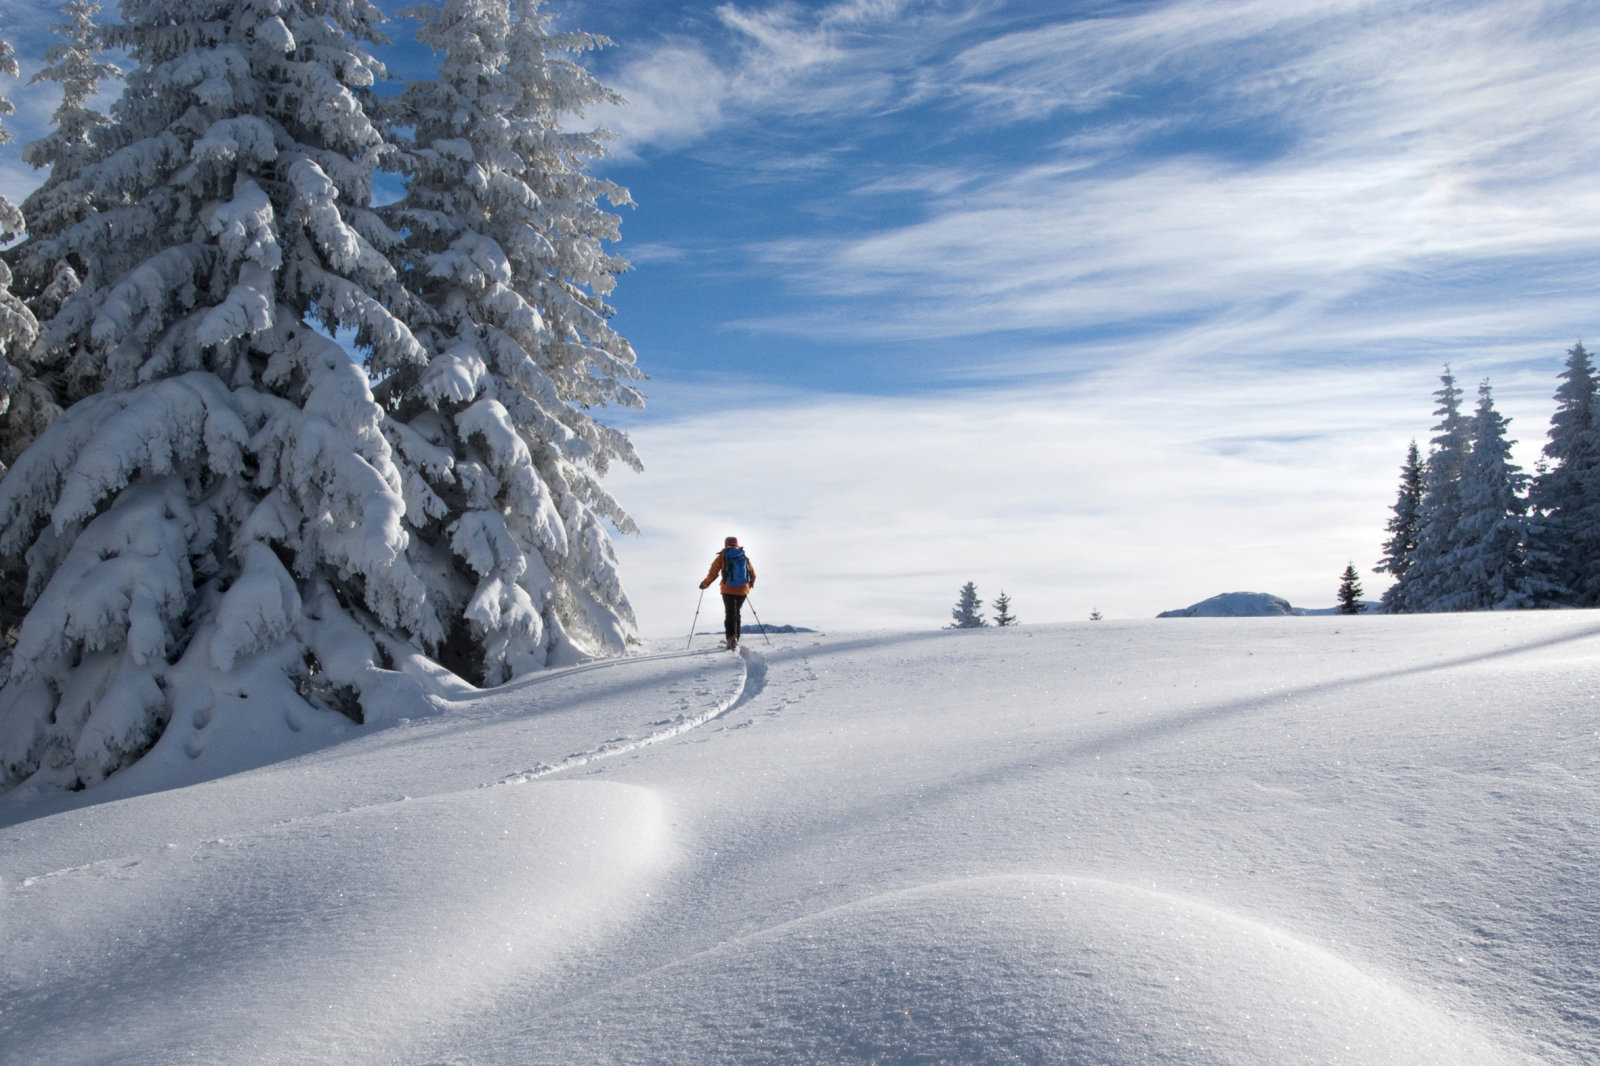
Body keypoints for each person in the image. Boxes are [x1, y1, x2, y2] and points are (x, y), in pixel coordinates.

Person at [700, 536, 755, 650]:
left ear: (726, 544)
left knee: (730, 614)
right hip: (743, 590)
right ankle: (736, 639)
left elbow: (713, 573)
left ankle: (731, 639)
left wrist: (705, 584)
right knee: (737, 613)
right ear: (737, 544)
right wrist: (749, 586)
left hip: (728, 589)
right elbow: (753, 574)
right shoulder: (743, 556)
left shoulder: (723, 556)